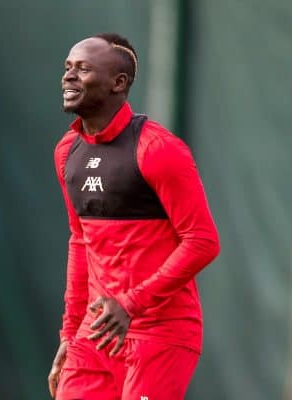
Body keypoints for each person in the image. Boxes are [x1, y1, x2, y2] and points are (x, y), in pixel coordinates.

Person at [47, 33, 220, 400]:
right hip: (95, 336)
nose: (69, 77)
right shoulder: (66, 153)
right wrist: (69, 333)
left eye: (83, 69)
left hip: (160, 335)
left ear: (118, 83)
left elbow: (203, 242)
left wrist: (131, 304)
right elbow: (80, 242)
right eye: (67, 68)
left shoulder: (158, 150)